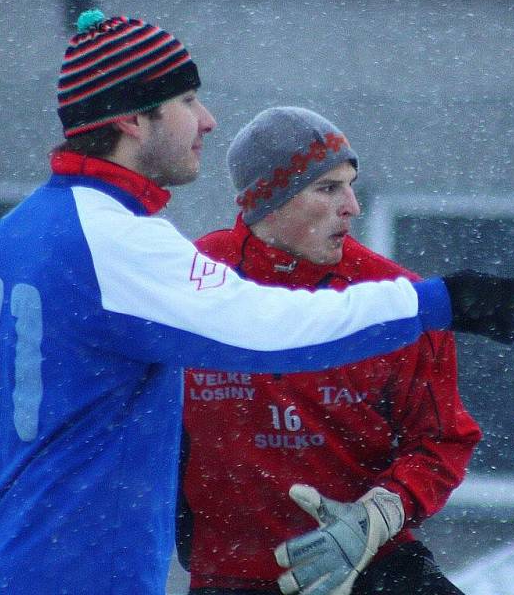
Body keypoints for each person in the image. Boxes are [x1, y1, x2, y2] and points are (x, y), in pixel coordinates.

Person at [0, 9, 514, 595]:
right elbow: (265, 328)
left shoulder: (3, 242)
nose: (206, 120)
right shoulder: (119, 242)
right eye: (187, 100)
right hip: (90, 570)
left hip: (8, 567)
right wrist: (434, 301)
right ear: (132, 120)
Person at [177, 107, 484, 595]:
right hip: (232, 576)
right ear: (267, 204)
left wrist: (375, 517)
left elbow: (443, 440)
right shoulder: (190, 281)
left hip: (373, 568)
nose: (352, 207)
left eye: (351, 184)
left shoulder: (399, 299)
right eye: (328, 188)